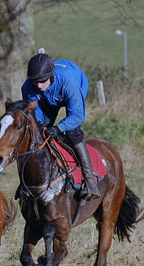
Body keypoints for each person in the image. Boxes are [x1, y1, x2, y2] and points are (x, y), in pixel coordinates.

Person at [21, 49, 99, 200]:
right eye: (35, 81)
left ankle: (90, 183)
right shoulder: (29, 86)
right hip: (47, 99)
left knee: (72, 132)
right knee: (39, 132)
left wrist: (58, 128)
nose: (38, 85)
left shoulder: (69, 82)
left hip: (75, 84)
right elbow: (35, 118)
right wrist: (42, 128)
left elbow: (77, 116)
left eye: (42, 81)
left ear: (51, 76)